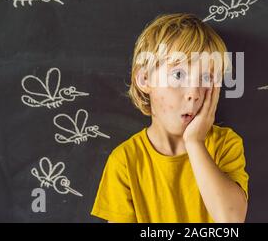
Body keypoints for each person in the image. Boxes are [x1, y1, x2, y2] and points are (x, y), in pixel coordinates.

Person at [91, 13, 249, 222]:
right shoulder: (125, 161)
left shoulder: (225, 144)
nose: (194, 92)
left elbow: (231, 220)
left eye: (206, 78)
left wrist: (194, 142)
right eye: (178, 75)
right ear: (145, 78)